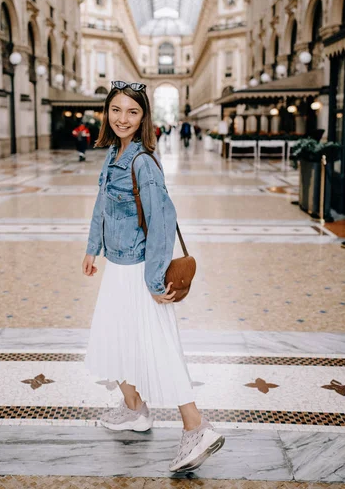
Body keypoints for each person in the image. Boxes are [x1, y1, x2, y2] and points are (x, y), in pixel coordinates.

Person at [82, 80, 225, 473]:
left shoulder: (142, 161)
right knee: (112, 337)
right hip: (118, 265)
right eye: (116, 110)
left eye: (132, 111)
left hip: (139, 271)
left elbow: (163, 221)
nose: (122, 118)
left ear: (143, 117)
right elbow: (101, 205)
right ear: (107, 113)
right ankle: (134, 409)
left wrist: (154, 278)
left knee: (158, 345)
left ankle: (197, 427)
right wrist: (93, 247)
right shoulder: (114, 152)